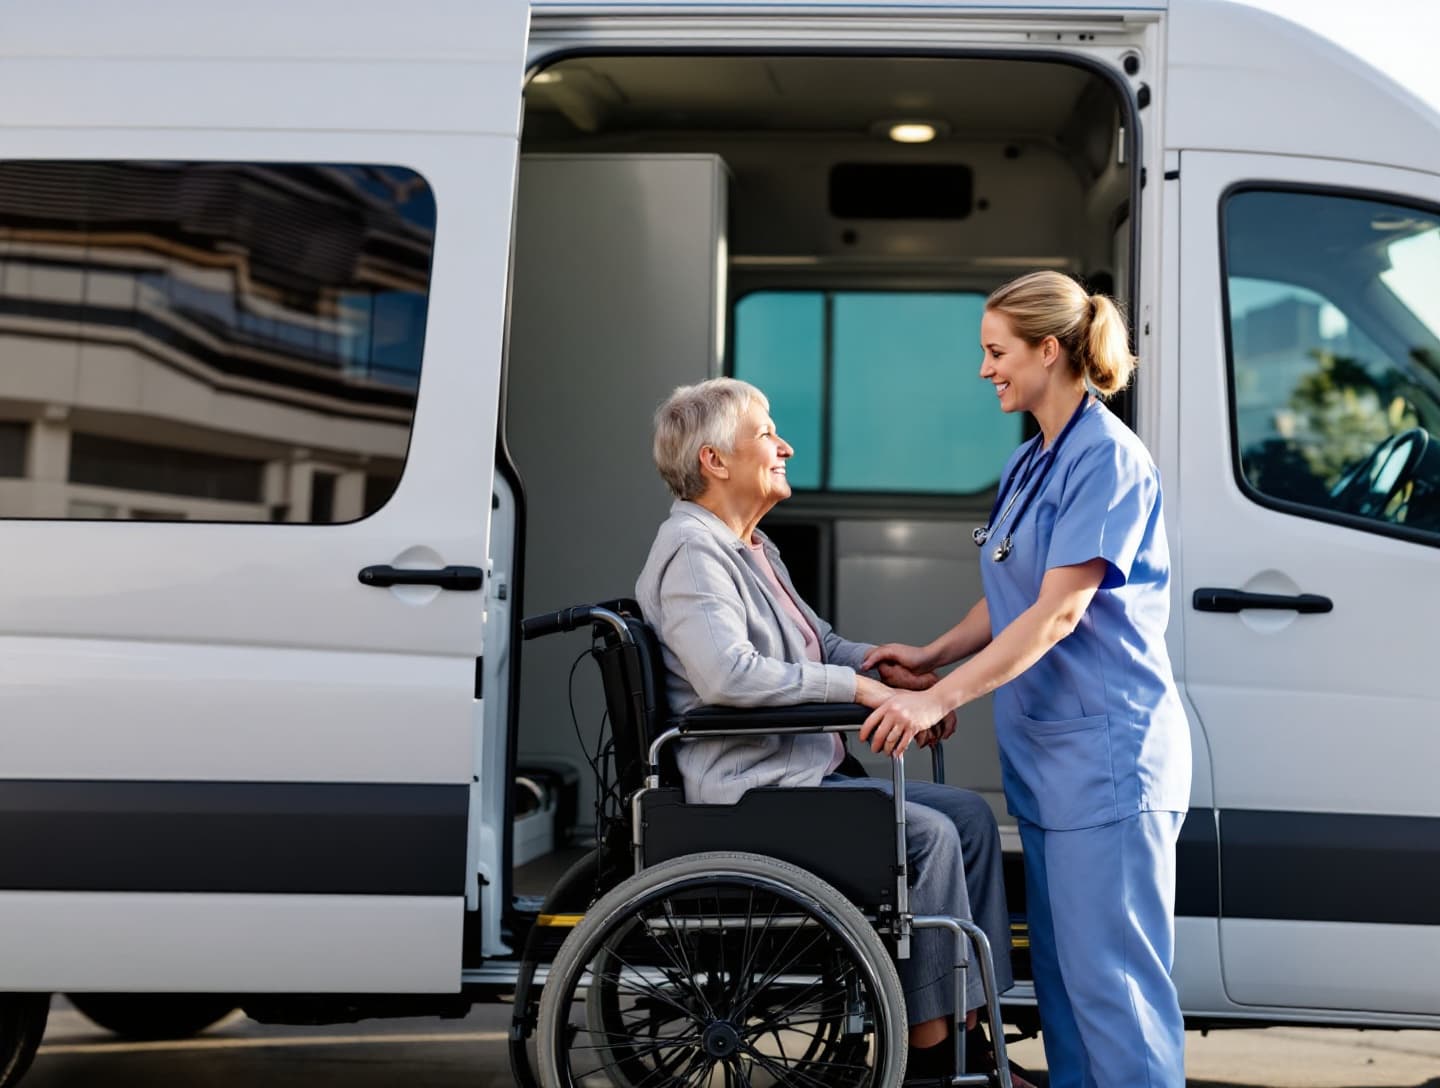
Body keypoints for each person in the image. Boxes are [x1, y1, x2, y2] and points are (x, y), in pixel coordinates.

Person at [634, 376, 1030, 1085]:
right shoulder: (693, 552)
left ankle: (975, 1036)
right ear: (715, 462)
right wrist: (855, 688)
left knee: (969, 817)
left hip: (800, 779)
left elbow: (818, 643)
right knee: (928, 835)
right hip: (749, 792)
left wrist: (894, 677)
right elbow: (728, 675)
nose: (784, 446)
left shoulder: (752, 547)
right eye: (767, 434)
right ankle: (931, 1055)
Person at [861, 270, 1192, 1088]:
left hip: (1109, 762)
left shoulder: (1107, 459)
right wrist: (932, 656)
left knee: (1115, 994)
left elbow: (1057, 613)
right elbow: (1009, 593)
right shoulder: (1034, 461)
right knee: (1070, 999)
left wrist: (942, 697)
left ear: (1050, 350)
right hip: (1054, 763)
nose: (986, 370)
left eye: (997, 352)